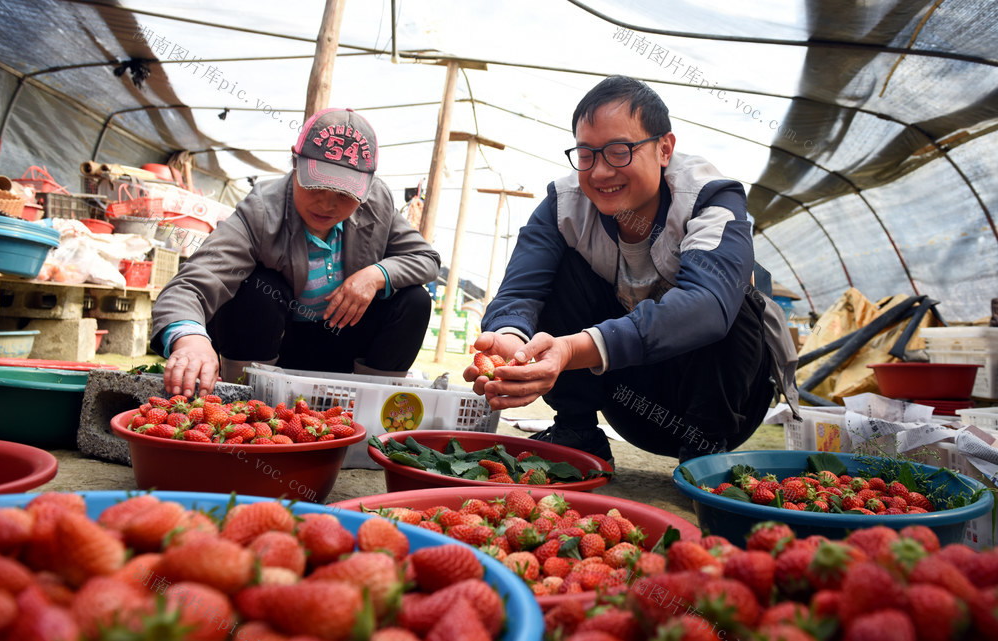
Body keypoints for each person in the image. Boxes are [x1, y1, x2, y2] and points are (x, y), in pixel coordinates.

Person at [464, 76, 798, 466]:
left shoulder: (710, 199)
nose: (601, 172)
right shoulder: (564, 206)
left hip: (725, 406)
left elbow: (708, 305)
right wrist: (512, 341)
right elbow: (520, 291)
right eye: (587, 154)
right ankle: (577, 432)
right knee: (561, 270)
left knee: (729, 295)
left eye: (619, 151)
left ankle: (704, 454)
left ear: (664, 149)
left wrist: (573, 347)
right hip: (628, 401)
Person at [152, 107, 441, 397]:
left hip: (342, 345)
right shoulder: (262, 210)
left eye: (344, 194)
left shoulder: (377, 202)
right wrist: (190, 339)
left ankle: (371, 402)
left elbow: (426, 259)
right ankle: (248, 398)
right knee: (257, 287)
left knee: (414, 300)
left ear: (367, 185)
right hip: (274, 347)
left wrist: (376, 274)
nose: (327, 204)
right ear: (295, 163)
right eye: (315, 185)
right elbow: (191, 283)